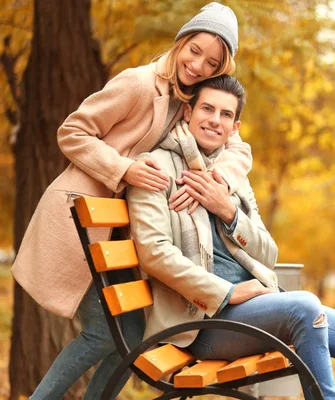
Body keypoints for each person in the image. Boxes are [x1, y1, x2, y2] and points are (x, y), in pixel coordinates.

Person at [127, 75, 335, 400]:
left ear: (235, 126)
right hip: (200, 325)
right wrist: (228, 292)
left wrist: (228, 212)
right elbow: (154, 253)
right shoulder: (155, 167)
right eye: (207, 109)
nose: (215, 120)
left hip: (259, 309)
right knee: (305, 306)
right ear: (187, 112)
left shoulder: (232, 176)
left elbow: (268, 252)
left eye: (226, 114)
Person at [11, 3, 251, 399]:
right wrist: (123, 169)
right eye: (195, 51)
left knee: (135, 336)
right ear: (182, 41)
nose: (198, 66)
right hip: (82, 220)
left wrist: (214, 180)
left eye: (212, 63)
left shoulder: (196, 100)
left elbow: (239, 149)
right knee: (105, 334)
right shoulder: (139, 83)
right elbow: (72, 131)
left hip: (120, 235)